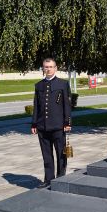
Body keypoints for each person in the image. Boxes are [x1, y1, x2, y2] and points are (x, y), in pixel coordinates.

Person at [31, 58, 72, 188]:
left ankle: (60, 178)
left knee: (61, 154)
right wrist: (34, 124)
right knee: (46, 155)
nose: (48, 69)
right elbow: (36, 106)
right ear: (43, 68)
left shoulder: (62, 84)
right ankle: (48, 179)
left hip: (59, 126)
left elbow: (67, 106)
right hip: (42, 126)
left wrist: (67, 123)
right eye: (45, 67)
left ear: (56, 68)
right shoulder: (39, 86)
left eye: (50, 66)